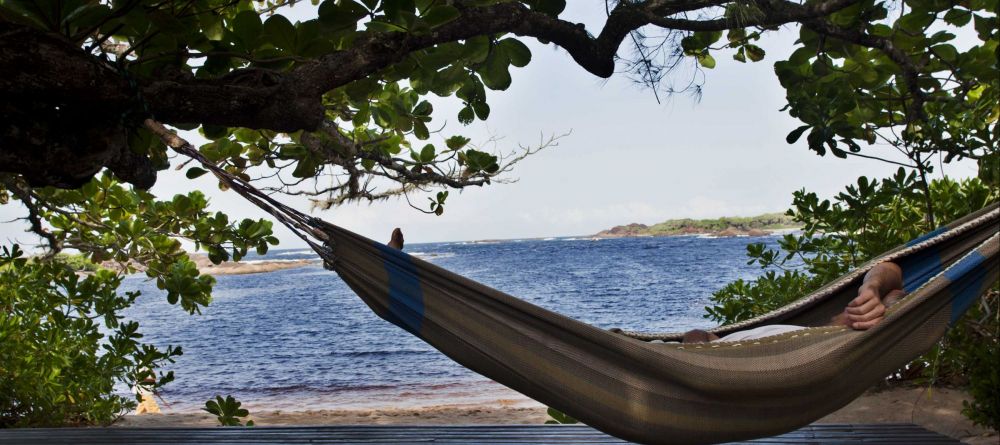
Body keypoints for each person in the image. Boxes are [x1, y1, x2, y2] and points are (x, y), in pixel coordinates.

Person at [682, 261, 904, 343]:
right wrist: (871, 288)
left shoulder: (810, 351)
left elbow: (695, 337)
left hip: (693, 365)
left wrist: (697, 354)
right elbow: (891, 269)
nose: (866, 312)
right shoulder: (799, 333)